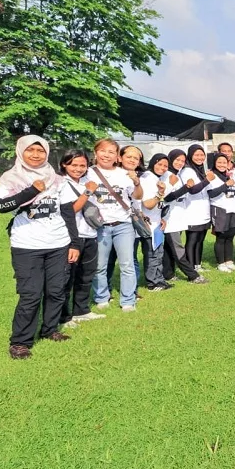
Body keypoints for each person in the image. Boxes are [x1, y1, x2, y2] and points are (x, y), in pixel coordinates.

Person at [0, 136, 81, 359]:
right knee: (30, 294)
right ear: (21, 151)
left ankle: (50, 330)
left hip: (58, 243)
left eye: (40, 150)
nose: (36, 154)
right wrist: (31, 191)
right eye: (31, 150)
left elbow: (67, 212)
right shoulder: (10, 177)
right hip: (27, 245)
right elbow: (1, 206)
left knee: (56, 290)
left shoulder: (57, 179)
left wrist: (74, 243)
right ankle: (20, 342)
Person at [86, 138, 143, 311]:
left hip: (123, 225)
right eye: (103, 151)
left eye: (111, 152)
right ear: (96, 153)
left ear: (117, 156)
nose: (107, 155)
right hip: (99, 225)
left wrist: (136, 182)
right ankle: (102, 297)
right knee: (99, 265)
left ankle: (128, 300)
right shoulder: (87, 173)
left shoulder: (123, 174)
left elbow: (138, 196)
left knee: (127, 264)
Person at [58, 150, 105, 327]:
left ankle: (81, 310)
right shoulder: (61, 183)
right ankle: (63, 316)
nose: (78, 169)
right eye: (74, 165)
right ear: (64, 164)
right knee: (67, 278)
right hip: (71, 236)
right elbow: (71, 210)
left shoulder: (86, 181)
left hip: (90, 233)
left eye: (82, 165)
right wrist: (87, 192)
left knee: (86, 275)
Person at [161, 149, 207, 284]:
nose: (180, 163)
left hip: (178, 216)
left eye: (182, 160)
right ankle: (193, 275)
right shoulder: (167, 175)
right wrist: (186, 187)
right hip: (169, 218)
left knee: (169, 248)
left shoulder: (178, 174)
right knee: (177, 248)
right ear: (170, 159)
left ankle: (168, 274)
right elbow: (167, 197)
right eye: (177, 160)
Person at [136, 154, 170, 291]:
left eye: (165, 166)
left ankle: (159, 279)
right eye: (160, 164)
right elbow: (148, 204)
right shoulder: (147, 178)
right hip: (148, 223)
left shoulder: (157, 178)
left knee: (158, 253)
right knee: (151, 253)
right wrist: (160, 193)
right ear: (153, 163)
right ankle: (153, 282)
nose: (162, 168)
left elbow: (159, 204)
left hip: (157, 222)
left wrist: (163, 218)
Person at [180, 144, 215, 272]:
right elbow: (193, 190)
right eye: (196, 155)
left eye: (202, 155)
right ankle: (190, 267)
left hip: (203, 212)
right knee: (192, 240)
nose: (200, 157)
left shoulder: (200, 170)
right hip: (192, 212)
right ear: (190, 155)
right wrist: (207, 180)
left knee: (200, 239)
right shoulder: (187, 170)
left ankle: (197, 264)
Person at [207, 153, 235, 272]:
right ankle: (220, 263)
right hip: (220, 209)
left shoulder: (229, 176)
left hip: (232, 209)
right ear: (215, 163)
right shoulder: (212, 176)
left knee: (230, 236)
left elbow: (234, 191)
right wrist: (225, 185)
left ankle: (229, 261)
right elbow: (211, 193)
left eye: (224, 162)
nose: (222, 165)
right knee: (221, 237)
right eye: (219, 162)